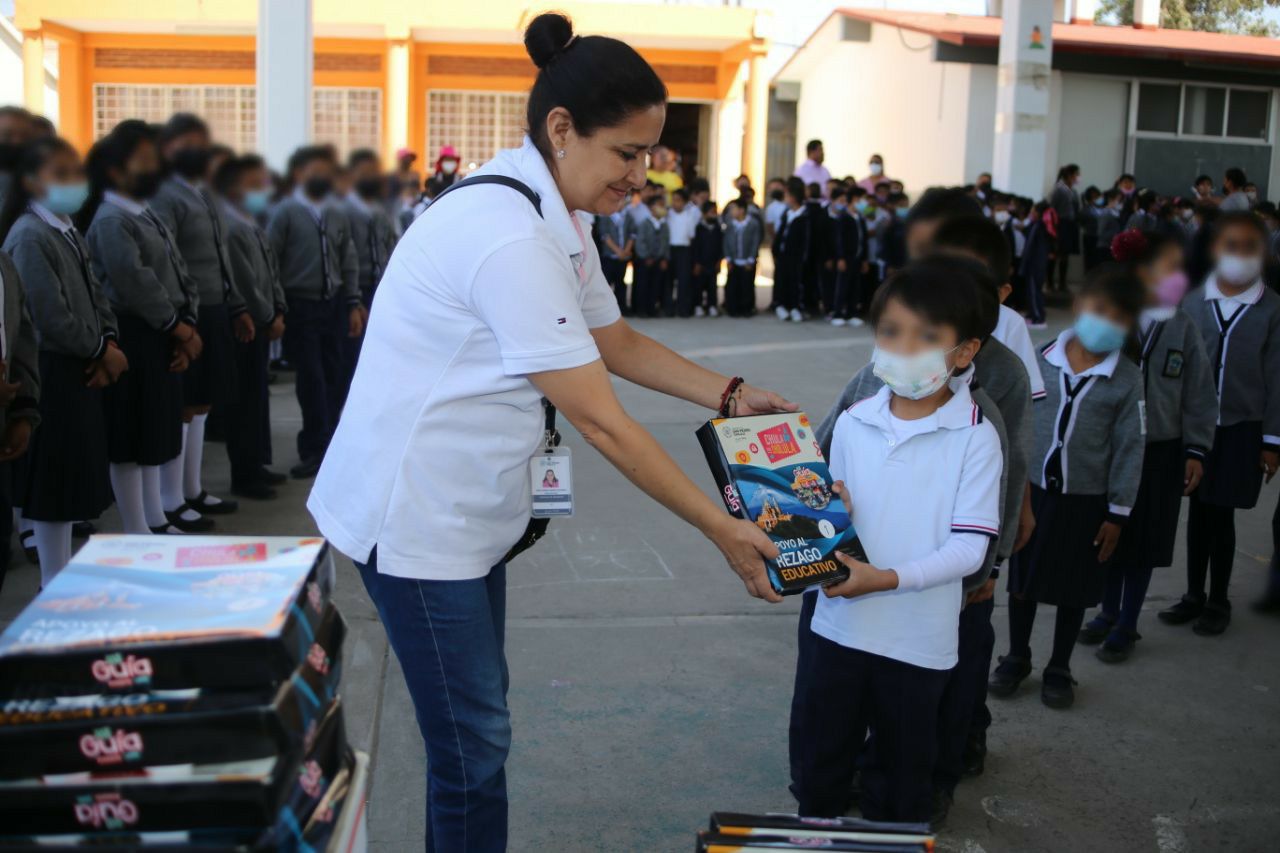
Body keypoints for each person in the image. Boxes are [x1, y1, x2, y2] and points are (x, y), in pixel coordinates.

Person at [307, 13, 794, 850]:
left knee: (476, 728)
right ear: (562, 129)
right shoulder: (506, 234)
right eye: (628, 154)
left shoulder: (556, 214)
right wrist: (722, 528)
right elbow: (602, 420)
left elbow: (615, 341)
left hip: (470, 515)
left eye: (650, 154)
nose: (643, 176)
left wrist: (731, 391)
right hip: (419, 522)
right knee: (473, 745)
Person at [791, 258, 1003, 824]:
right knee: (821, 763)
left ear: (964, 352)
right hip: (837, 628)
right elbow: (831, 518)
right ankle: (816, 834)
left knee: (903, 778)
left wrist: (883, 579)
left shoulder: (977, 438)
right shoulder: (856, 418)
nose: (903, 348)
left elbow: (970, 550)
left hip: (916, 644)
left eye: (926, 336)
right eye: (891, 332)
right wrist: (831, 514)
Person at [991, 264, 1146, 709]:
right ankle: (1017, 656)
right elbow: (1015, 424)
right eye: (1100, 310)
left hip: (1086, 501)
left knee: (1074, 587)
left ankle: (1059, 666)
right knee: (1023, 580)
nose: (1107, 323)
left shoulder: (1127, 378)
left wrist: (1118, 512)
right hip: (1032, 494)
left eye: (1120, 317)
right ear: (1080, 307)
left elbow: (1130, 448)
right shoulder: (1039, 359)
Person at [1076, 231, 1215, 662]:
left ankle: (1128, 622)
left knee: (1144, 540)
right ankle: (1107, 611)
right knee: (1109, 533)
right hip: (1112, 448)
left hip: (1161, 450)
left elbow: (1199, 393)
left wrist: (1196, 449)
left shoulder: (1183, 326)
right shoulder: (1110, 320)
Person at [0, 137, 124, 583]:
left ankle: (63, 573)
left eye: (76, 173)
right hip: (56, 369)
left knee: (72, 477)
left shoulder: (67, 228)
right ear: (32, 182)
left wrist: (107, 340)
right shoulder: (30, 236)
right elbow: (48, 316)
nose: (74, 183)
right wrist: (98, 350)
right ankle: (53, 582)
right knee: (54, 483)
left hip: (82, 366)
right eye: (61, 174)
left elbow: (97, 294)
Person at [1160, 212, 1280, 635]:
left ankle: (1218, 599)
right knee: (1197, 513)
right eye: (1232, 246)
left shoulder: (1272, 309)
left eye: (1250, 247)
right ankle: (1192, 594)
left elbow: (1278, 378)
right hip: (1197, 428)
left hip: (1241, 428)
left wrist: (1272, 441)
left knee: (1223, 514)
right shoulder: (1193, 301)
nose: (1240, 256)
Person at [81, 121, 198, 534]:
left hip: (161, 331)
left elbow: (178, 271)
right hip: (135, 332)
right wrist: (178, 328)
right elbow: (135, 281)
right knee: (130, 436)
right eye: (145, 162)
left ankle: (155, 517)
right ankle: (137, 528)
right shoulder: (112, 219)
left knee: (153, 430)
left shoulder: (145, 212)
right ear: (115, 170)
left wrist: (185, 321)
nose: (155, 169)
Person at [151, 112, 249, 525]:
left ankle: (192, 489)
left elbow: (221, 256)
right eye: (185, 143)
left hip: (214, 307)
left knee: (203, 400)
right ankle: (171, 498)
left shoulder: (202, 193)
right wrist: (180, 322)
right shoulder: (164, 195)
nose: (196, 151)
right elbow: (165, 260)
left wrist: (236, 305)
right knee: (184, 406)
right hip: (187, 313)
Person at [267, 144, 364, 480]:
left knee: (336, 375)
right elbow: (272, 261)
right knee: (311, 378)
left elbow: (347, 260)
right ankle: (313, 448)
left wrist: (352, 303)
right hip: (300, 304)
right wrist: (277, 306)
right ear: (299, 174)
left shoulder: (336, 213)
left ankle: (333, 444)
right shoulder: (285, 212)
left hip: (333, 304)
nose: (322, 176)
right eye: (314, 170)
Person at [215, 154, 289, 499]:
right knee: (243, 402)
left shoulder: (251, 221)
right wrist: (265, 314)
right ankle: (244, 474)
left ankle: (258, 462)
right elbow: (242, 279)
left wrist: (278, 309)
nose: (264, 190)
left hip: (264, 321)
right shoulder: (229, 226)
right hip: (248, 324)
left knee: (257, 399)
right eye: (255, 184)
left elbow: (270, 273)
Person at [933, 215, 1045, 402]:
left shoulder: (1010, 323)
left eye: (970, 285)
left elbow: (1025, 398)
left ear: (1001, 294)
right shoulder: (908, 315)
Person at [773, 177, 810, 322]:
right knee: (782, 280)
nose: (785, 198)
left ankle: (796, 307)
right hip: (783, 255)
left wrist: (803, 257)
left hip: (797, 257)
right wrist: (776, 250)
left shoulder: (805, 216)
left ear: (793, 197)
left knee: (796, 282)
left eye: (787, 195)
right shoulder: (786, 214)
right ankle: (781, 305)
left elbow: (806, 241)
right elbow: (780, 234)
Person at [825, 189, 863, 327]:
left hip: (857, 257)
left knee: (855, 286)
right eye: (860, 200)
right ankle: (837, 313)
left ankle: (851, 313)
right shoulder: (843, 217)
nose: (862, 203)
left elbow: (862, 239)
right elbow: (839, 239)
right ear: (852, 200)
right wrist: (840, 257)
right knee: (842, 285)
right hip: (846, 257)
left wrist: (863, 259)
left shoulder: (859, 217)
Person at [632, 193, 669, 317]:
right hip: (645, 260)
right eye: (659, 205)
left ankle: (652, 308)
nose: (662, 208)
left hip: (658, 260)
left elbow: (666, 242)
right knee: (643, 285)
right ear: (652, 208)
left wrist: (664, 258)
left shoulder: (664, 225)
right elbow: (640, 242)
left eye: (663, 206)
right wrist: (646, 256)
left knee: (655, 285)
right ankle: (641, 309)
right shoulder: (644, 224)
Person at [723, 198, 761, 317]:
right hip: (734, 260)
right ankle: (732, 309)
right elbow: (726, 242)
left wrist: (751, 258)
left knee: (747, 286)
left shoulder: (753, 224)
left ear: (742, 210)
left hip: (747, 260)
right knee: (732, 286)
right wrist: (728, 258)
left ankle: (747, 309)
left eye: (733, 209)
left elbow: (755, 242)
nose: (731, 212)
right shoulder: (730, 224)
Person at [594, 199, 633, 313]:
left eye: (622, 202)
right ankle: (605, 309)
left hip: (623, 256)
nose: (620, 204)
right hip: (610, 255)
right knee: (607, 282)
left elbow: (632, 234)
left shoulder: (628, 217)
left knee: (621, 282)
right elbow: (605, 236)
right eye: (618, 201)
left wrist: (626, 251)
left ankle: (621, 307)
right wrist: (618, 251)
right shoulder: (605, 216)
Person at [667, 187, 700, 316]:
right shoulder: (668, 214)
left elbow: (692, 235)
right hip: (670, 249)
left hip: (684, 250)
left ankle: (684, 309)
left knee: (684, 281)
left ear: (685, 202)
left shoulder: (690, 215)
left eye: (679, 200)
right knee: (668, 281)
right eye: (673, 200)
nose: (675, 203)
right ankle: (669, 309)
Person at [1048, 165, 1081, 292]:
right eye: (1076, 174)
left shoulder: (1073, 191)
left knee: (1065, 254)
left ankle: (1062, 282)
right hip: (1060, 224)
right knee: (1056, 253)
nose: (1077, 177)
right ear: (1069, 175)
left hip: (1070, 224)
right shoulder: (1059, 189)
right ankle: (1050, 282)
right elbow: (1052, 209)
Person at [1020, 200, 1052, 329]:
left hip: (1034, 265)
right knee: (1033, 291)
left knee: (1034, 292)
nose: (1031, 213)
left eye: (1033, 211)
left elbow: (1029, 247)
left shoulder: (1038, 226)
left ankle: (1038, 318)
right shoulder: (1040, 225)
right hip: (1037, 264)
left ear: (1038, 213)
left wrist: (1024, 265)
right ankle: (1033, 315)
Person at [690, 200, 723, 317]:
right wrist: (697, 262)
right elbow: (695, 247)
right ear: (704, 214)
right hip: (700, 263)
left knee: (712, 286)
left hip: (713, 263)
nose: (714, 214)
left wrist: (719, 261)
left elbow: (720, 246)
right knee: (698, 285)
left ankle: (712, 306)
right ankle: (698, 306)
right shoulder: (699, 228)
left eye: (715, 212)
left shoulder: (718, 229)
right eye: (711, 212)